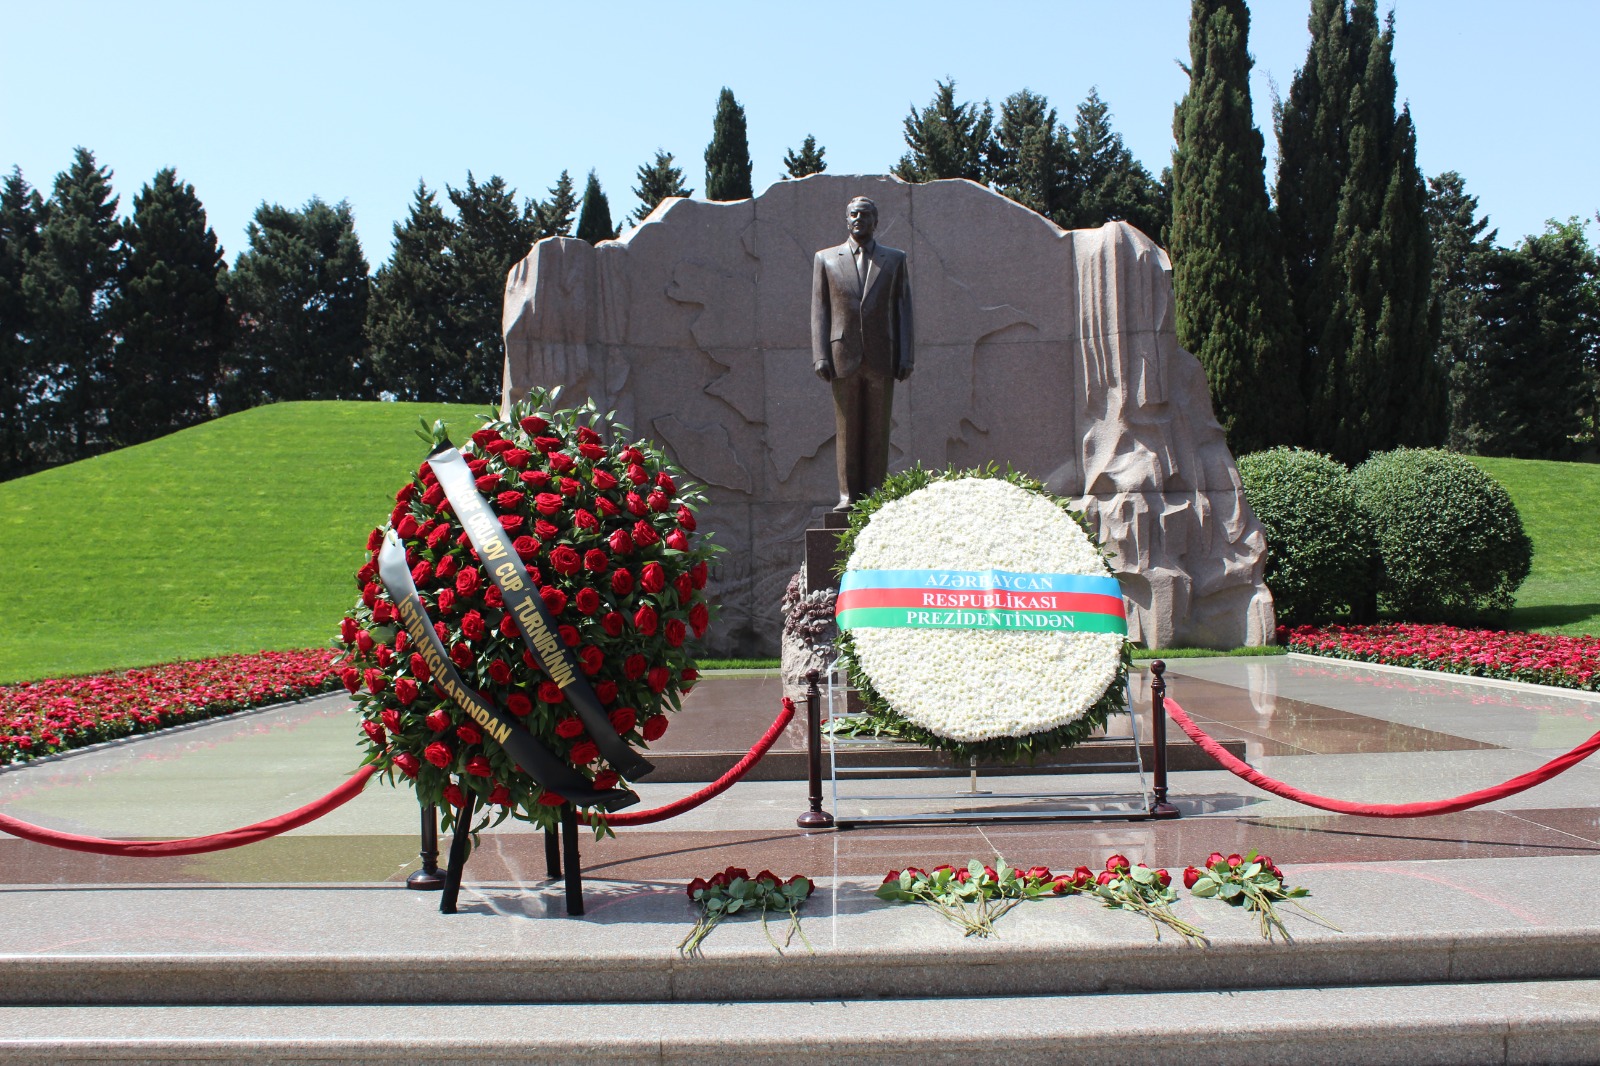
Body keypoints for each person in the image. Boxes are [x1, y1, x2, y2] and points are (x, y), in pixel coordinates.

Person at [810, 196, 914, 512]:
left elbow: (903, 309)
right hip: (843, 355)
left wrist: (906, 355)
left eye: (866, 214)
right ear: (846, 219)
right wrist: (820, 355)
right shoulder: (825, 259)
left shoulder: (894, 259)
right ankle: (847, 495)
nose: (859, 219)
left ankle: (875, 494)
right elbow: (820, 309)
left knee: (878, 430)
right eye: (854, 214)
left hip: (883, 355)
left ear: (875, 221)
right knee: (847, 429)